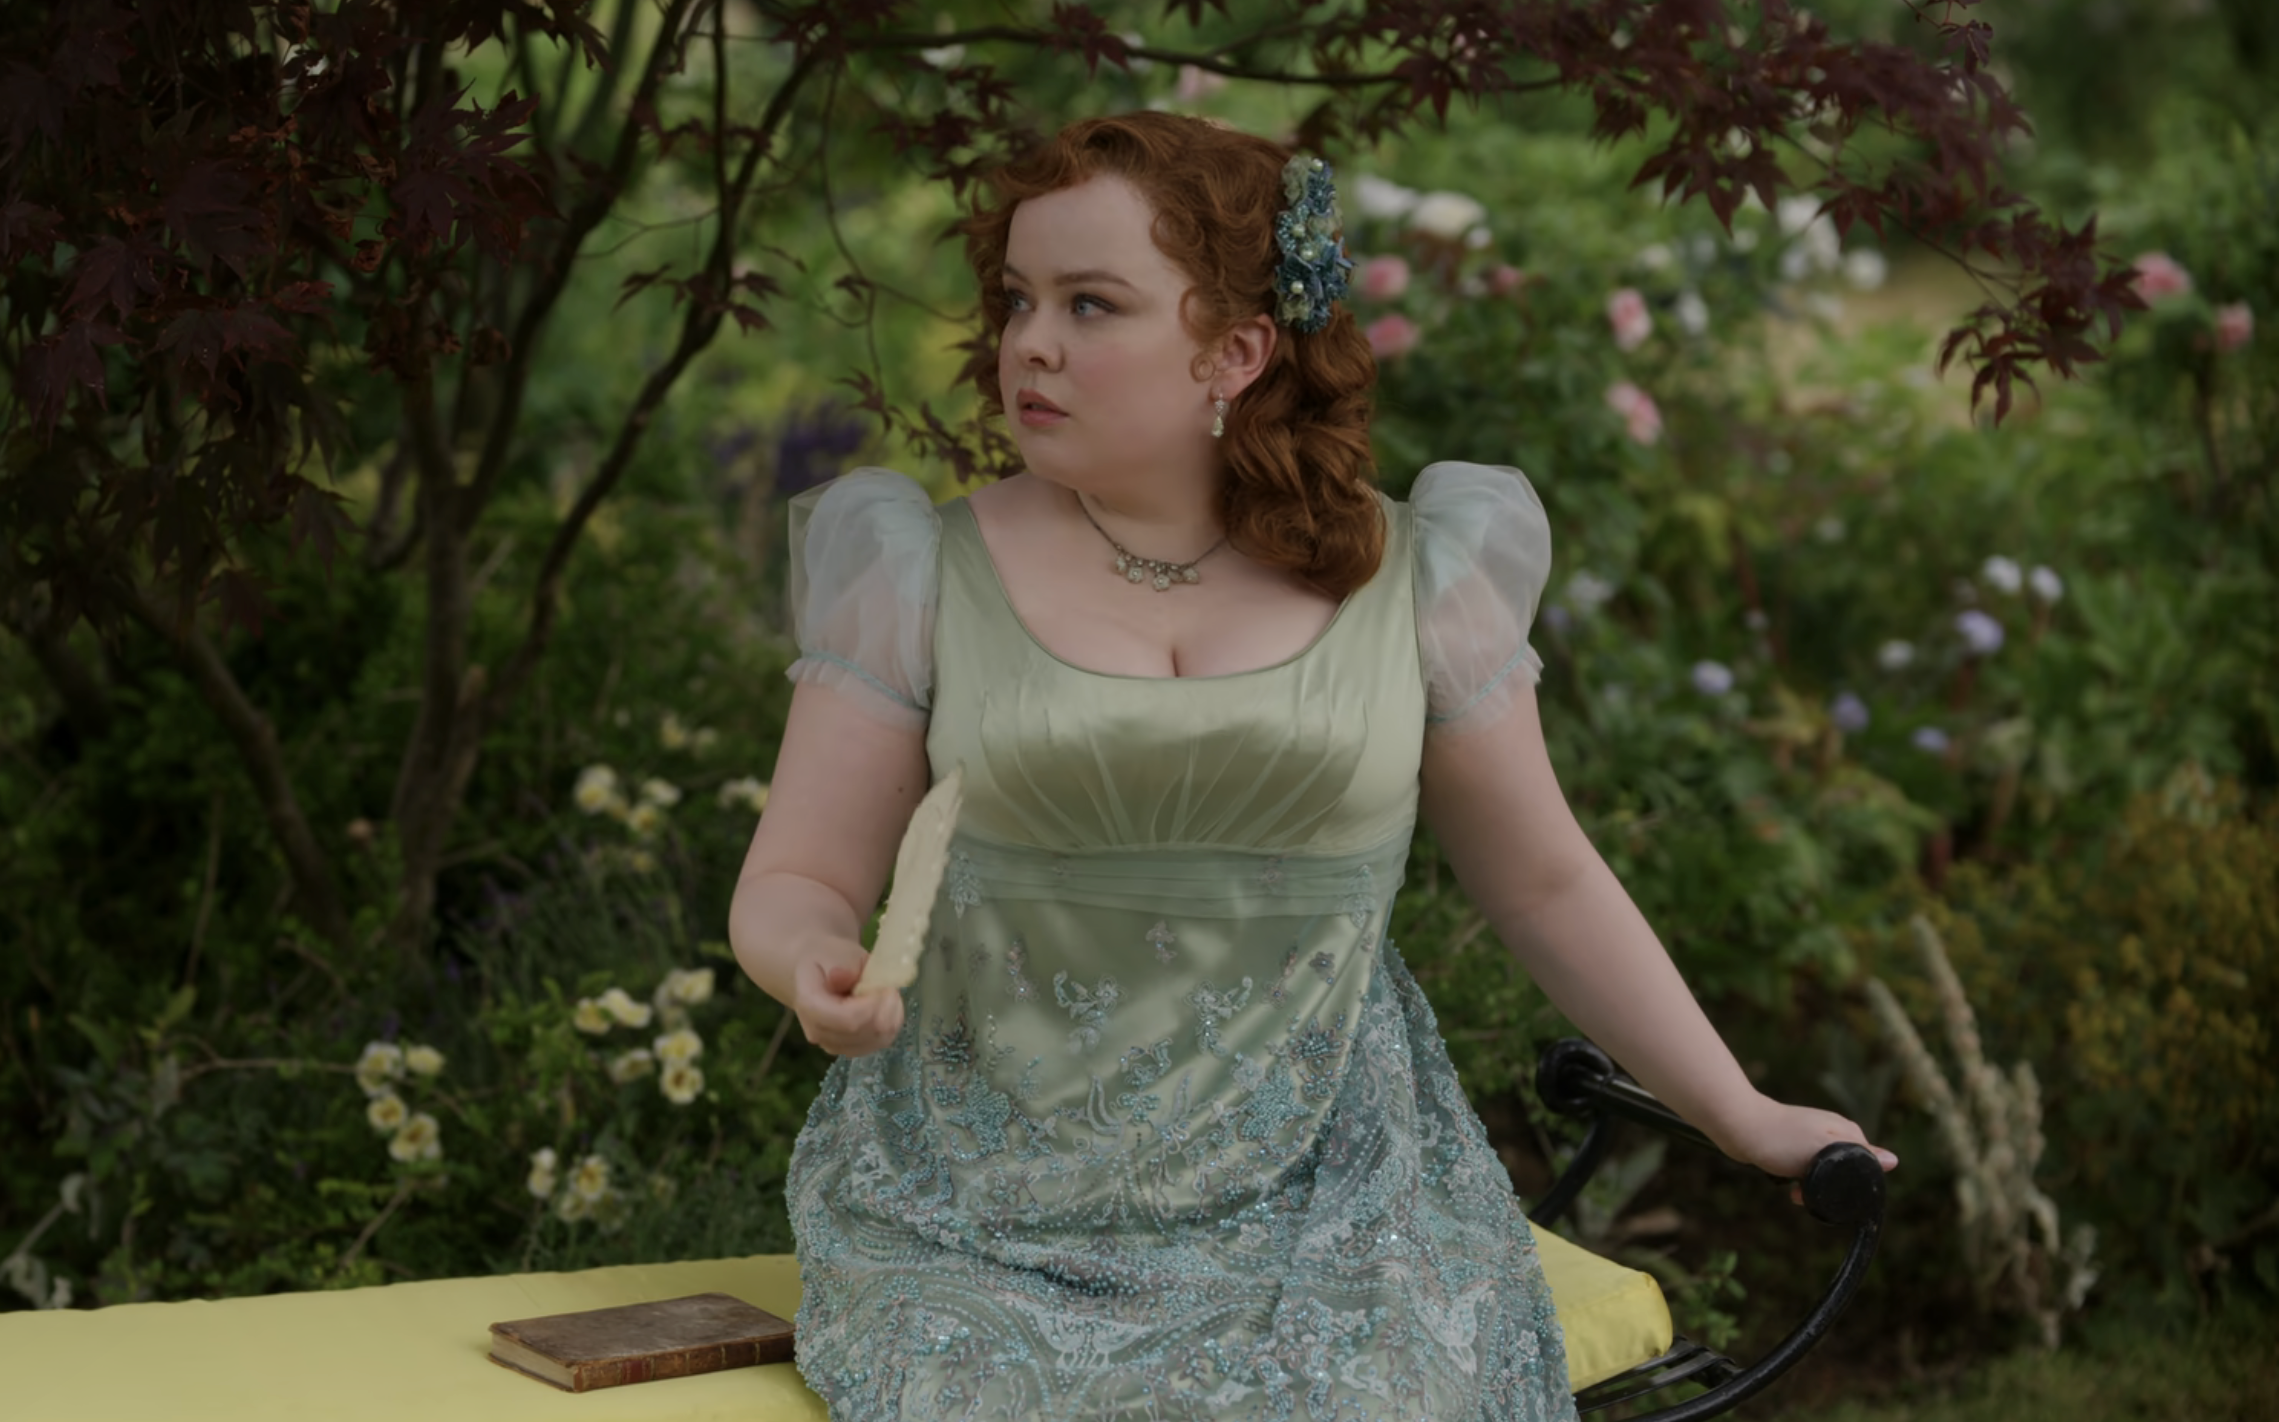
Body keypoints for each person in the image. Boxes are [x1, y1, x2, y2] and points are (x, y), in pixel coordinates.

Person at [728, 111, 1895, 1422]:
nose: (1029, 343)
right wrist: (812, 963)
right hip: (971, 1210)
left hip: (1332, 1203)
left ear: (1231, 351)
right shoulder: (916, 570)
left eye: (1090, 304)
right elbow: (795, 876)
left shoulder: (1417, 580)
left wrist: (1740, 1112)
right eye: (1016, 298)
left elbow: (1546, 881)